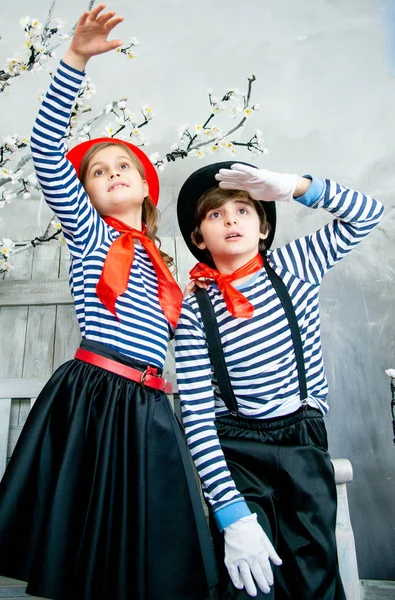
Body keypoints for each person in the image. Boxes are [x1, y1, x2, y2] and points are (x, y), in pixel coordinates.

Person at [0, 5, 217, 599]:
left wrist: (190, 300)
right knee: (84, 538)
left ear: (144, 185)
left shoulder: (164, 265)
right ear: (82, 194)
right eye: (97, 172)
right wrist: (76, 58)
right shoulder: (92, 233)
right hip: (95, 393)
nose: (110, 174)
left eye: (122, 166)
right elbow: (46, 147)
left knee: (145, 542)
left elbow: (175, 341)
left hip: (151, 404)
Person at [175, 161, 384, 599]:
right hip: (235, 448)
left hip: (300, 439)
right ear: (198, 238)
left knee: (313, 572)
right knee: (248, 579)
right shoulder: (194, 309)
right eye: (215, 215)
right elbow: (196, 415)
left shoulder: (296, 265)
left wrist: (293, 187)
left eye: (243, 210)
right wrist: (231, 514)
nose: (230, 219)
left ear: (264, 228)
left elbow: (368, 213)